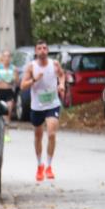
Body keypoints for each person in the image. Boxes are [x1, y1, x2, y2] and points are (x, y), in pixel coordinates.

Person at [20, 39, 65, 181]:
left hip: (52, 104)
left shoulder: (55, 64)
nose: (42, 51)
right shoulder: (31, 67)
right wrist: (34, 80)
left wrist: (61, 85)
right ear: (35, 51)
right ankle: (40, 165)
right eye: (39, 48)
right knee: (38, 136)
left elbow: (62, 75)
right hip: (37, 106)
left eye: (45, 48)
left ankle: (49, 166)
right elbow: (23, 86)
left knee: (51, 134)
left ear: (48, 50)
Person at [0, 49, 17, 142]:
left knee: (8, 111)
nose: (7, 58)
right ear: (2, 57)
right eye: (5, 56)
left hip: (9, 92)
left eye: (8, 56)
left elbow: (17, 82)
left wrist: (15, 76)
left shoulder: (13, 68)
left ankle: (7, 132)